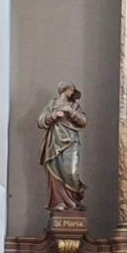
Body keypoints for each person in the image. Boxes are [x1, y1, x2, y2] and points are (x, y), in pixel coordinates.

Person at [38, 84, 89, 212]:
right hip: (54, 141)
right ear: (64, 90)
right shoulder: (52, 103)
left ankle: (73, 201)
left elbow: (83, 121)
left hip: (71, 140)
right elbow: (40, 120)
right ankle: (59, 202)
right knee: (54, 171)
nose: (72, 92)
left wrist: (71, 112)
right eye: (71, 89)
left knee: (72, 172)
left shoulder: (74, 106)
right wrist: (53, 115)